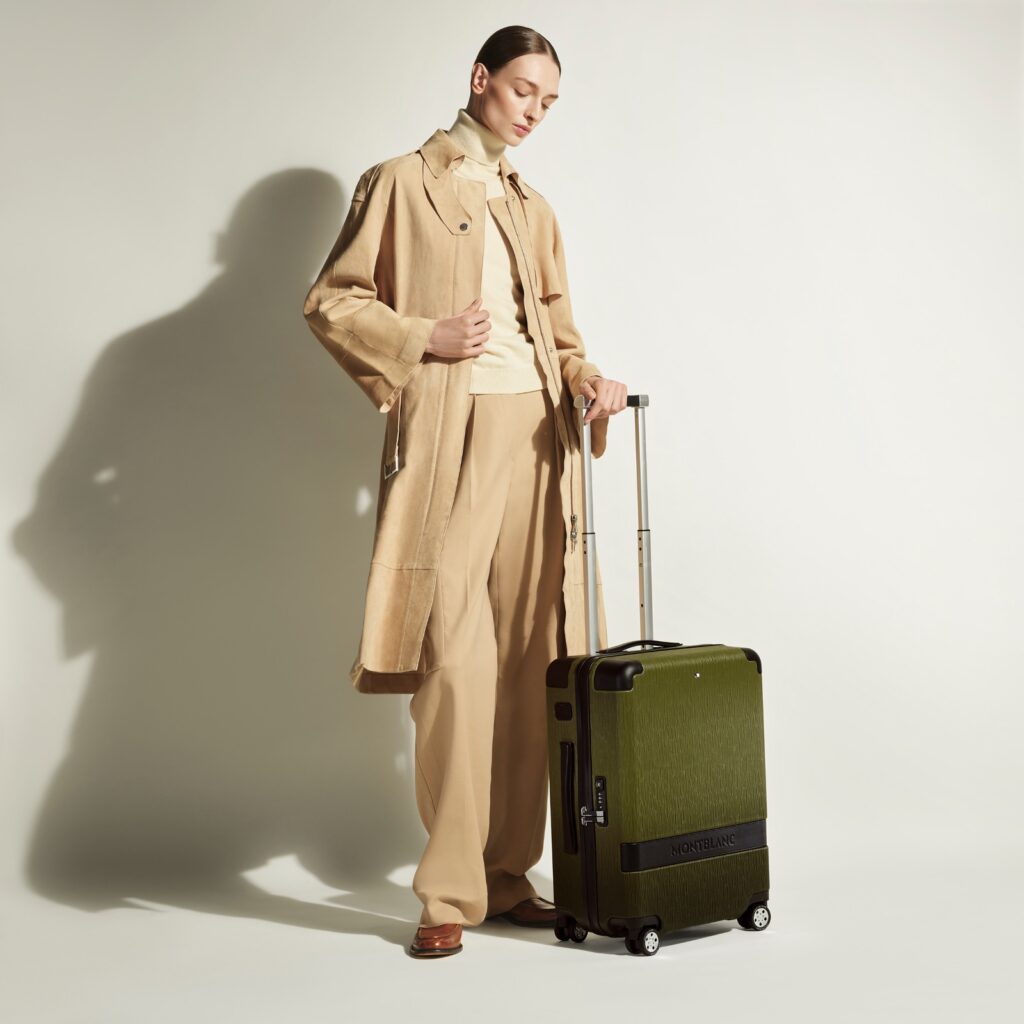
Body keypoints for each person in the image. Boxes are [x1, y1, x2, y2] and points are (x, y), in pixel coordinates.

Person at [302, 25, 627, 958]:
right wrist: (422, 338)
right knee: (454, 662)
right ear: (481, 79)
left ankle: (508, 872)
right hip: (452, 440)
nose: (534, 112)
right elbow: (332, 300)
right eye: (524, 89)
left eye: (549, 101)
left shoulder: (534, 208)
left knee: (533, 660)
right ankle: (446, 894)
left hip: (541, 441)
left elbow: (559, 334)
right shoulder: (400, 182)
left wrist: (588, 380)